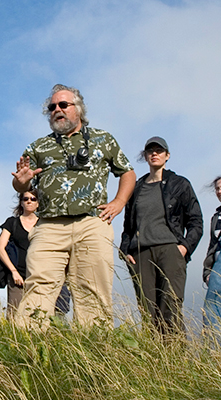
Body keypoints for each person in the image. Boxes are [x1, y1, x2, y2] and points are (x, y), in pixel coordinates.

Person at [12, 84, 136, 331]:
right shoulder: (38, 146)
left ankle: (94, 355)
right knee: (38, 286)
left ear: (78, 109)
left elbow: (127, 172)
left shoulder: (103, 139)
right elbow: (20, 183)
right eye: (52, 107)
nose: (56, 110)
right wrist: (22, 180)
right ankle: (24, 351)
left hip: (92, 222)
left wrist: (119, 202)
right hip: (48, 226)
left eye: (63, 105)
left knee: (92, 289)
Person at [120, 137, 202, 334]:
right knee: (147, 310)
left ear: (167, 155)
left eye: (159, 150)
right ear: (145, 156)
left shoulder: (180, 184)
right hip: (141, 254)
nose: (154, 154)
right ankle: (154, 359)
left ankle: (175, 359)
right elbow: (128, 226)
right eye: (150, 151)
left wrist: (184, 247)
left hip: (170, 250)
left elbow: (196, 221)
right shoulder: (137, 188)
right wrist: (125, 250)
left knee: (170, 307)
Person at [0, 190, 71, 318]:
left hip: (42, 275)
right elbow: (0, 249)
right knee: (15, 316)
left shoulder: (45, 224)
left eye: (33, 199)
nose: (29, 201)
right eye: (25, 199)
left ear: (38, 203)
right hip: (18, 276)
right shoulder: (12, 223)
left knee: (45, 315)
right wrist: (13, 271)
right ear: (21, 203)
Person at [203, 176, 221, 334]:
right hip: (217, 269)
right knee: (212, 310)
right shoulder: (216, 218)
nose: (220, 191)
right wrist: (207, 272)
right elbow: (212, 246)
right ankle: (214, 354)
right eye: (217, 188)